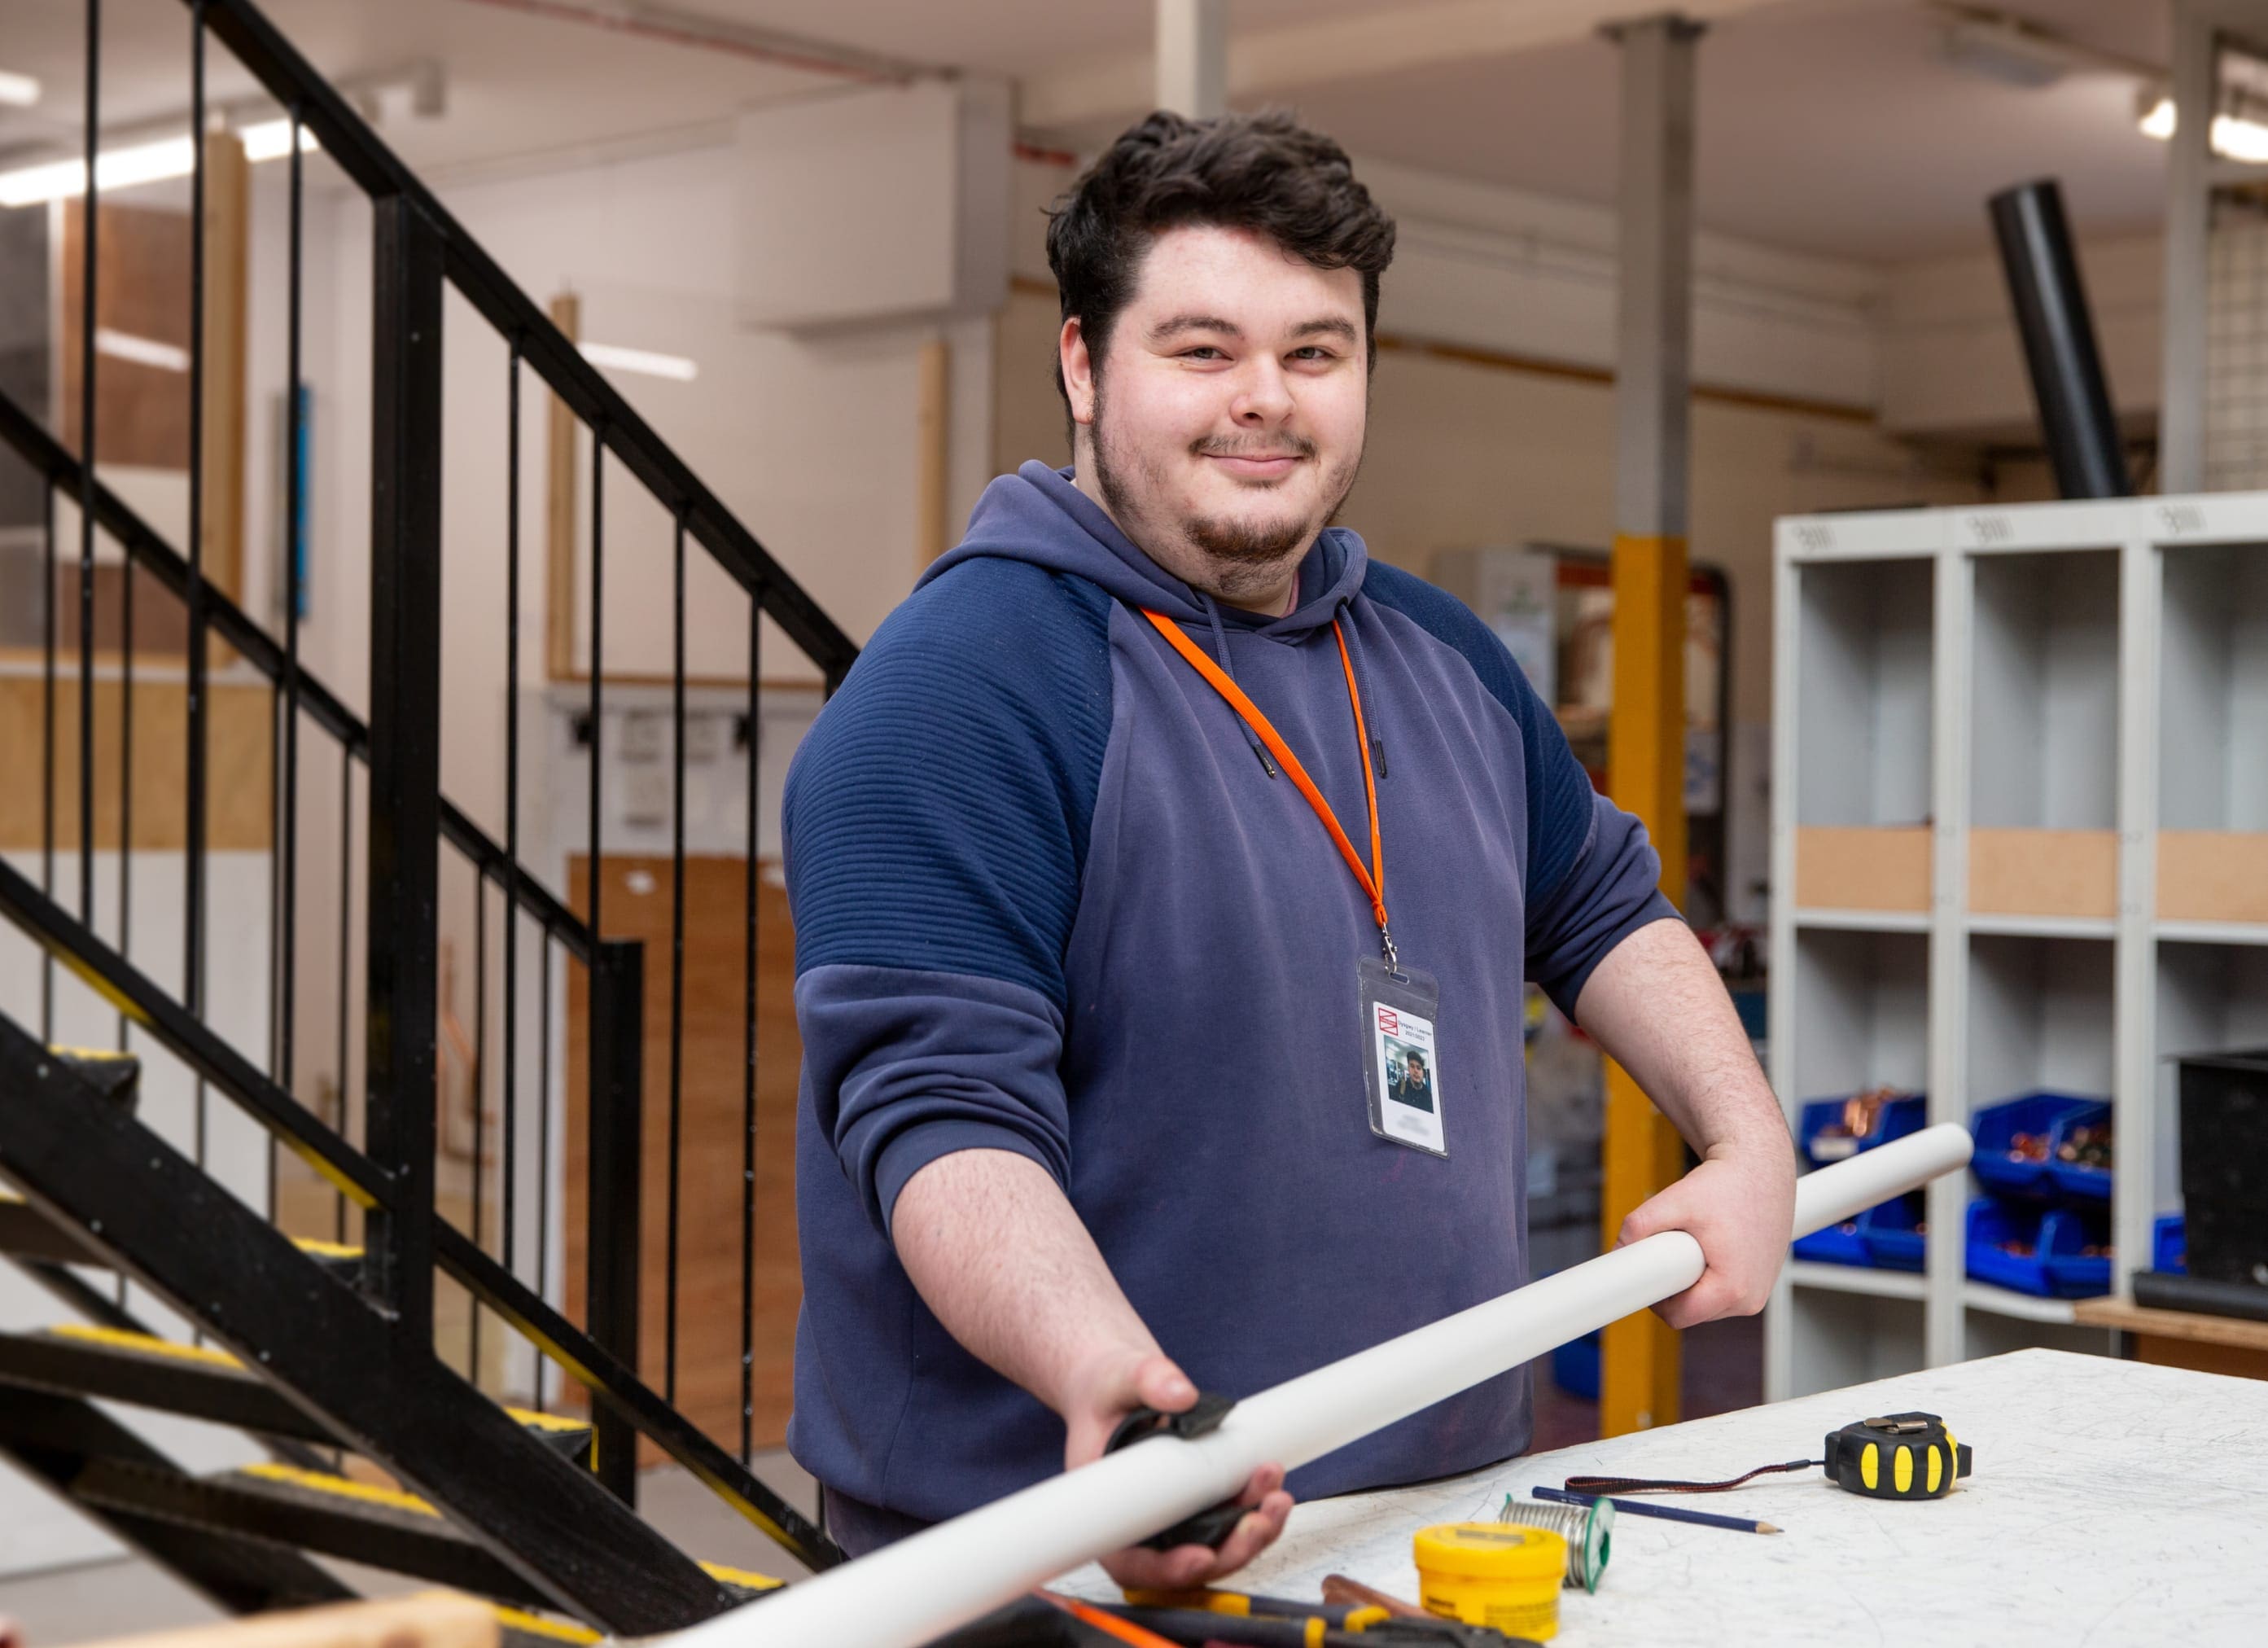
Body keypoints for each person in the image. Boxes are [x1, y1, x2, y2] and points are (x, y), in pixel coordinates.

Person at [782, 108, 1794, 1583]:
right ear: (1083, 364)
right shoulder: (962, 685)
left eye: (1315, 352)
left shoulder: (1442, 657)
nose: (1264, 399)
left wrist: (1748, 1137)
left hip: (1442, 1525)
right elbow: (941, 1115)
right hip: (1069, 1548)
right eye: (1202, 350)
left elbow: (1603, 907)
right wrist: (1118, 1395)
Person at [1391, 1049, 1434, 1114]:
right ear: (1408, 1068)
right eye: (1412, 1066)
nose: (1415, 1071)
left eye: (1418, 1068)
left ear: (1423, 1073)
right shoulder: (1401, 1087)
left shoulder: (1428, 1096)